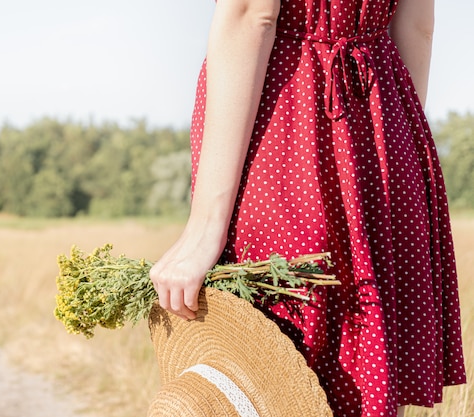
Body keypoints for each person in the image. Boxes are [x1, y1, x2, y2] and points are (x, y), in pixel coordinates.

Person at [149, 0, 467, 416]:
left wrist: (205, 227)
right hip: (384, 118)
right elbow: (417, 24)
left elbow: (251, 14)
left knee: (275, 357)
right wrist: (389, 145)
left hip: (290, 119)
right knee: (364, 359)